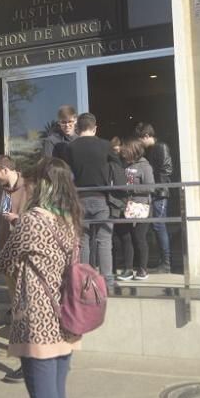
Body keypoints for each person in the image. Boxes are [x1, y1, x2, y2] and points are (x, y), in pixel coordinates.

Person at [0, 157, 103, 398]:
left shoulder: (31, 221)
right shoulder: (69, 221)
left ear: (41, 186)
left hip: (38, 321)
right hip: (68, 318)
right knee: (57, 397)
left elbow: (5, 259)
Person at [63, 112, 120, 284]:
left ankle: (86, 278)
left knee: (83, 241)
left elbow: (65, 173)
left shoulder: (69, 148)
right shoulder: (105, 145)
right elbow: (118, 168)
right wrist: (119, 196)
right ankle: (107, 278)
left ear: (78, 128)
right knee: (104, 239)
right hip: (101, 197)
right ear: (95, 128)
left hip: (79, 199)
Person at [0, 154, 29, 383]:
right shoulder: (3, 191)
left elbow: (39, 218)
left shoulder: (30, 187)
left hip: (24, 255)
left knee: (25, 306)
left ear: (5, 169)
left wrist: (18, 218)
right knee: (16, 304)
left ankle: (28, 355)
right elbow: (0, 219)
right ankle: (19, 348)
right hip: (6, 252)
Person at [134, 122, 175, 272]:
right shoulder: (152, 150)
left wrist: (156, 186)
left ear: (146, 136)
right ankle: (163, 261)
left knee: (159, 225)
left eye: (140, 139)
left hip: (160, 192)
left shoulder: (161, 147)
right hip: (156, 191)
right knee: (156, 226)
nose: (140, 143)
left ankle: (166, 262)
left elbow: (167, 169)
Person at [116, 137, 154, 281]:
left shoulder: (145, 167)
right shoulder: (125, 165)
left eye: (127, 151)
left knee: (139, 238)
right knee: (126, 238)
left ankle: (143, 269)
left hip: (141, 206)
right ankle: (128, 269)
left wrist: (131, 189)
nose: (124, 153)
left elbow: (151, 187)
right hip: (126, 206)